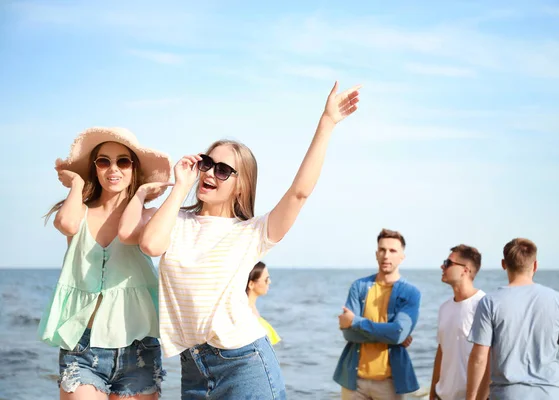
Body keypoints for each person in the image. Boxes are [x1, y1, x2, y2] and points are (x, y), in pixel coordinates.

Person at [126, 81, 361, 400]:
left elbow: (299, 193)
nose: (210, 174)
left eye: (223, 170)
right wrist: (180, 187)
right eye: (207, 164)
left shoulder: (251, 232)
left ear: (241, 185)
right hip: (193, 368)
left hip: (244, 365)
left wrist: (327, 122)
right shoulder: (175, 220)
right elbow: (150, 246)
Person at [38, 127, 172, 399]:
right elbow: (66, 224)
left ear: (134, 168)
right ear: (95, 168)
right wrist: (77, 184)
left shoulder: (148, 215)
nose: (113, 169)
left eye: (123, 161)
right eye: (103, 161)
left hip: (138, 347)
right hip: (83, 346)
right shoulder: (80, 211)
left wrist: (140, 194)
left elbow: (130, 233)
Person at [466, 238, 559, 400]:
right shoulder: (558, 301)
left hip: (507, 395)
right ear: (535, 265)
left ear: (504, 264)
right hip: (551, 394)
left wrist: (471, 397)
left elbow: (479, 359)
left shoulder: (490, 302)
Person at [333, 228, 421, 400]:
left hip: (389, 383)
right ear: (376, 254)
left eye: (392, 250)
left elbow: (398, 333)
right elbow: (349, 334)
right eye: (382, 250)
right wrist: (389, 334)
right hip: (354, 382)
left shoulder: (410, 293)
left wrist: (356, 322)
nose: (386, 255)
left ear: (402, 256)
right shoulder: (359, 287)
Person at [429, 245, 488, 400]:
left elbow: (490, 359)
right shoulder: (444, 308)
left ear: (465, 270)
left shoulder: (485, 305)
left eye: (448, 263)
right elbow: (442, 352)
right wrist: (432, 392)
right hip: (442, 396)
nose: (442, 266)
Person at [246, 261, 281, 345]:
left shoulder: (252, 309)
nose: (269, 282)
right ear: (251, 284)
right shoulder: (247, 313)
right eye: (266, 279)